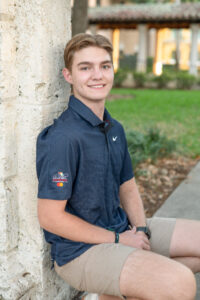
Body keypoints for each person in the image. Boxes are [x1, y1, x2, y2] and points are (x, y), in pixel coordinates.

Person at [36, 33, 200, 300]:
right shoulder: (62, 138)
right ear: (68, 76)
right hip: (81, 252)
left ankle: (111, 295)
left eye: (105, 66)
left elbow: (128, 186)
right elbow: (50, 217)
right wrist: (119, 241)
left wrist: (141, 232)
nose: (97, 75)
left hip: (122, 228)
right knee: (179, 283)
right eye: (85, 68)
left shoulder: (114, 129)